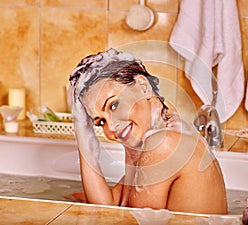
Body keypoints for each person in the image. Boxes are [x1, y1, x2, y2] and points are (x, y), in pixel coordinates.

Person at [68, 48, 228, 214]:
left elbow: (125, 220)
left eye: (114, 105)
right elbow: (109, 205)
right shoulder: (157, 132)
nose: (111, 127)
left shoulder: (163, 143)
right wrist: (82, 130)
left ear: (143, 87)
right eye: (101, 122)